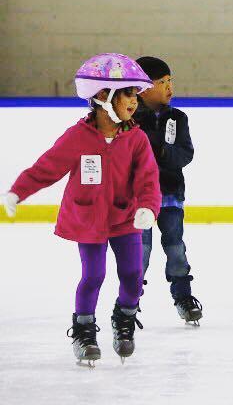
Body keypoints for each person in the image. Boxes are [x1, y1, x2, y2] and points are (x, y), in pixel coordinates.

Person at [2, 53, 160, 366]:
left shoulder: (136, 139)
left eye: (135, 95)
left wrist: (148, 207)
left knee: (132, 275)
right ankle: (84, 330)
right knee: (94, 275)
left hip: (125, 218)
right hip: (89, 219)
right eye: (127, 93)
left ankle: (124, 319)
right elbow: (47, 167)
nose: (134, 101)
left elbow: (148, 180)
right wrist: (18, 191)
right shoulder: (77, 136)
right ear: (103, 96)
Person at [134, 56, 202, 325]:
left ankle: (183, 295)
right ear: (143, 88)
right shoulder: (131, 118)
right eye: (161, 82)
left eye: (170, 81)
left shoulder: (178, 117)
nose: (169, 87)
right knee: (141, 249)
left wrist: (161, 151)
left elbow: (185, 153)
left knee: (176, 248)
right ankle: (130, 298)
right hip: (139, 199)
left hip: (171, 194)